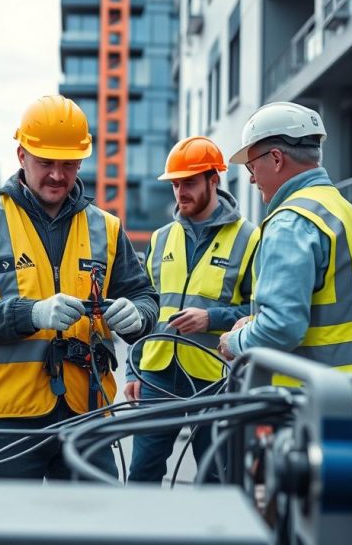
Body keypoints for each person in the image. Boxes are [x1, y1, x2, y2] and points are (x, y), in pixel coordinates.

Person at [0, 94, 159, 480]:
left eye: (69, 164)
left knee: (88, 530)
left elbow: (145, 298)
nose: (58, 175)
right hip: (6, 420)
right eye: (46, 163)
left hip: (87, 414)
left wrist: (138, 314)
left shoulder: (106, 228)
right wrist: (31, 313)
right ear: (22, 155)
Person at [219, 102, 352, 383]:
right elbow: (329, 309)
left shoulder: (290, 222)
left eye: (251, 165)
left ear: (275, 158)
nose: (250, 178)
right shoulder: (343, 211)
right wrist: (256, 322)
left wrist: (235, 341)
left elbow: (281, 328)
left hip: (308, 398)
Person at [125, 136, 259, 483]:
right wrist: (132, 369)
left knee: (216, 476)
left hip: (212, 375)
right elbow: (146, 305)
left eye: (189, 183)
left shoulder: (248, 238)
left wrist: (211, 318)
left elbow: (259, 310)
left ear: (214, 180)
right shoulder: (161, 238)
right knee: (142, 472)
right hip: (157, 372)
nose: (180, 191)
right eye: (176, 184)